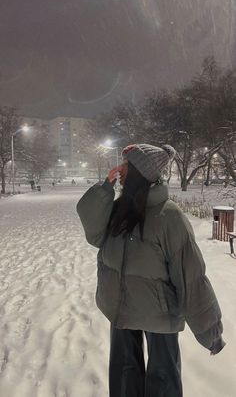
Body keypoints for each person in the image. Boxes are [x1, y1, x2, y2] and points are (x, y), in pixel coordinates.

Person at [77, 144, 226, 397]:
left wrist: (210, 331)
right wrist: (104, 189)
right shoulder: (119, 210)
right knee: (125, 377)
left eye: (127, 165)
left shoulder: (169, 216)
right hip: (121, 309)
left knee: (163, 381)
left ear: (140, 173)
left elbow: (191, 276)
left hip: (160, 315)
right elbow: (93, 233)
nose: (120, 169)